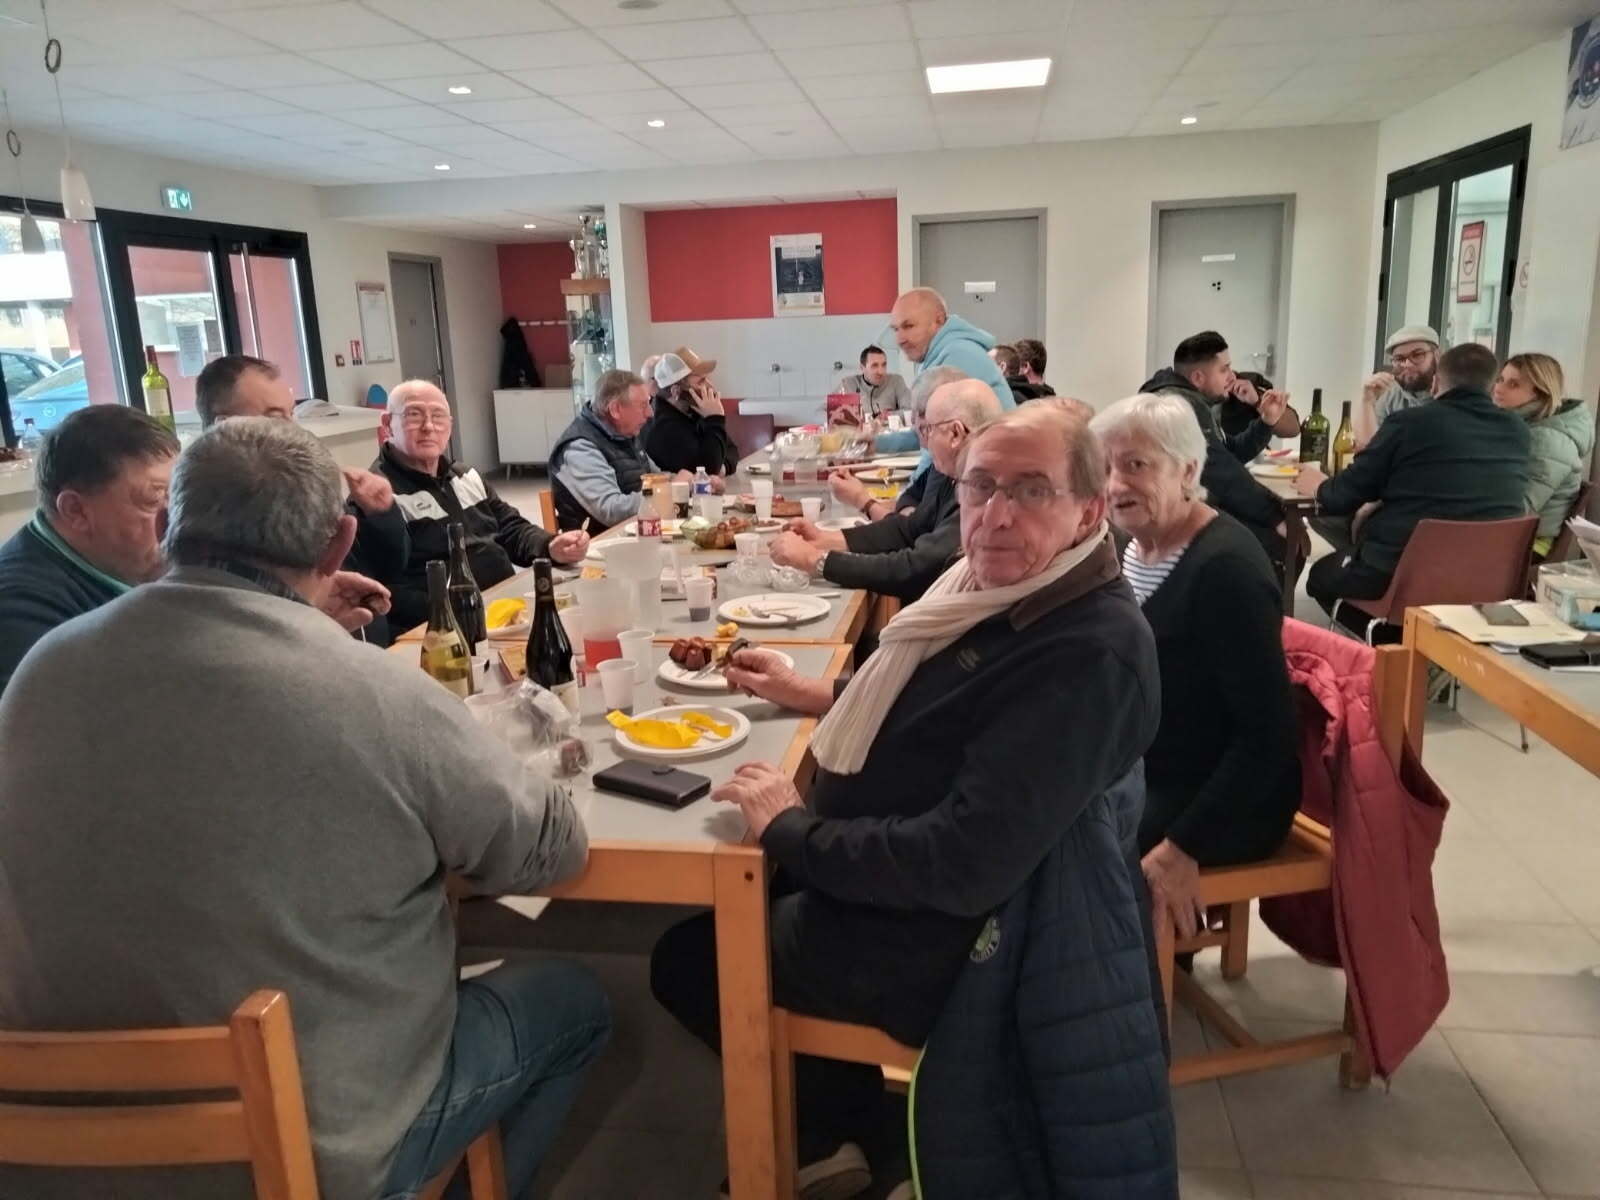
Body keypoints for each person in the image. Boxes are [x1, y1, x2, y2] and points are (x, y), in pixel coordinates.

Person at [0, 417, 608, 1200]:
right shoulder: (374, 689)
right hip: (299, 1145)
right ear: (339, 543)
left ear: (165, 527)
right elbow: (552, 852)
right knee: (573, 1001)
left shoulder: (40, 671)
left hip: (53, 1136)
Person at [651, 402, 1167, 1199]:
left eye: (1030, 491)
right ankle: (849, 1122)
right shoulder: (1000, 589)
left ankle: (839, 1132)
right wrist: (817, 692)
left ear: (1089, 511)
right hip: (926, 889)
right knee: (736, 885)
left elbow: (960, 864)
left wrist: (795, 831)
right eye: (979, 488)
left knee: (687, 956)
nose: (994, 515)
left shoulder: (1086, 649)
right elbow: (932, 707)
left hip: (961, 941)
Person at [1091, 392, 1300, 938]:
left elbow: (1270, 738)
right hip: (1151, 768)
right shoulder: (1132, 547)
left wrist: (1183, 847)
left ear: (1187, 471)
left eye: (1136, 465)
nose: (1115, 484)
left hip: (1220, 799)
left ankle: (1114, 988)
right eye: (1106, 466)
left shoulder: (1224, 569)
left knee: (1066, 840)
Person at [1296, 343, 1530, 627]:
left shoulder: (1409, 423)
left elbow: (1344, 495)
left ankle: (1388, 645)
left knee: (1320, 576)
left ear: (1436, 382)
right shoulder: (1518, 431)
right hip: (1484, 578)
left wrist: (1320, 486)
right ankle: (1422, 651)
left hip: (1401, 574)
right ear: (1492, 385)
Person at [196, 353, 410, 645]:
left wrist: (383, 514)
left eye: (291, 415)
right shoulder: (212, 522)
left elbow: (388, 568)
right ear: (225, 426)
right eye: (274, 417)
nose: (293, 430)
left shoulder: (308, 487)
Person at [374, 379, 588, 634]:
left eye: (438, 416)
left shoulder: (465, 475)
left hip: (505, 613)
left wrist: (550, 546)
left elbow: (510, 527)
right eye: (414, 415)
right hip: (444, 629)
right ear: (388, 425)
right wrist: (464, 612)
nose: (429, 426)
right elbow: (388, 591)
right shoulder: (379, 495)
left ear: (450, 425)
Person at [0, 406, 178, 696]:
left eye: (176, 496)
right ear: (76, 511)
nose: (174, 520)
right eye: (154, 498)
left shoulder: (124, 563)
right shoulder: (19, 611)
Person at [769, 379, 1000, 602]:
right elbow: (911, 529)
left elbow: (918, 568)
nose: (925, 440)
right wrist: (827, 539)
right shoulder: (950, 471)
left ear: (955, 434)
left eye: (929, 429)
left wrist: (816, 560)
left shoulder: (984, 488)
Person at [1140, 330, 1289, 562]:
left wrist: (1266, 422)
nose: (1232, 376)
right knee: (1283, 545)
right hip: (1175, 519)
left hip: (1191, 508)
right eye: (1224, 369)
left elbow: (1229, 453)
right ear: (1198, 377)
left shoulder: (1193, 399)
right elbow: (1219, 471)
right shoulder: (1179, 406)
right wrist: (1275, 516)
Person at [1492, 352, 1595, 557]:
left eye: (1513, 385)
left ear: (1540, 394)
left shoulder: (1547, 440)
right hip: (1511, 537)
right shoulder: (1522, 428)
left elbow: (1519, 509)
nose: (1498, 389)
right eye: (1500, 379)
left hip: (1529, 547)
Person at [644, 351, 738, 477]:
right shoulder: (663, 427)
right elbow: (707, 470)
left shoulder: (692, 411)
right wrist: (715, 418)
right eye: (701, 382)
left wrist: (723, 467)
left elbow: (731, 450)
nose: (710, 386)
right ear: (675, 391)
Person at [1356, 325, 1440, 448]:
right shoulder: (1392, 394)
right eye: (1399, 359)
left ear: (1436, 356)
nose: (1408, 364)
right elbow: (1368, 448)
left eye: (1417, 355)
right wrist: (1367, 401)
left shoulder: (1455, 394)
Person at [834, 344, 910, 418]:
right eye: (874, 366)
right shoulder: (848, 384)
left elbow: (910, 410)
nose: (881, 371)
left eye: (884, 365)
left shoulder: (896, 381)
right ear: (862, 368)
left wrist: (889, 415)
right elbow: (825, 410)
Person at [1222, 370, 1301, 440]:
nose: (1231, 376)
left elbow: (1294, 429)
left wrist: (1257, 402)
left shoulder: (1244, 384)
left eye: (1228, 366)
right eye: (1222, 369)